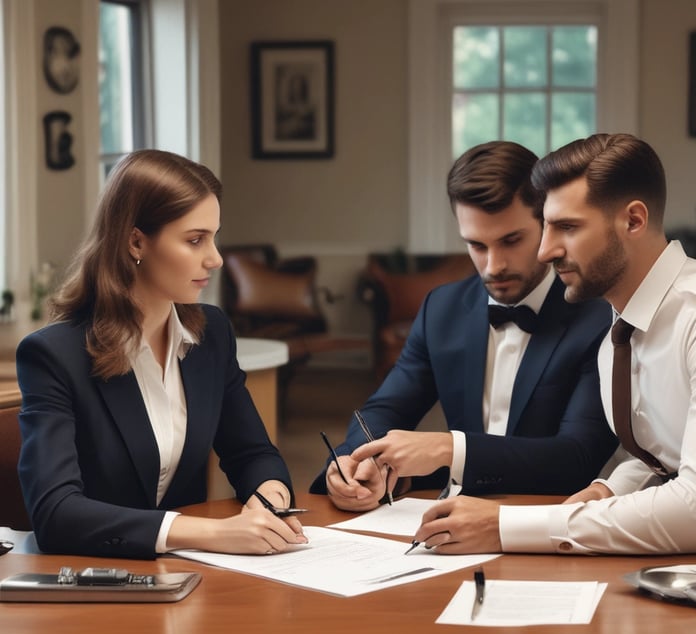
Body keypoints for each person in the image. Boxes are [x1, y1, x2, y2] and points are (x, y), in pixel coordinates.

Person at [414, 133, 696, 555]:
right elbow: (662, 455)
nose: (545, 251)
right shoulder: (618, 330)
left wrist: (502, 526)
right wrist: (607, 489)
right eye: (546, 226)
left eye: (567, 227)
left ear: (633, 221)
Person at [16, 149, 307, 559]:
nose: (216, 258)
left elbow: (252, 453)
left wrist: (269, 499)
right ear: (136, 240)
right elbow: (56, 513)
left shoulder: (212, 334)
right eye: (194, 240)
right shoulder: (53, 355)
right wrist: (212, 533)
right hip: (91, 587)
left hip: (188, 581)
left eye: (214, 236)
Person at [310, 141, 618, 511]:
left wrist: (448, 448)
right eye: (476, 245)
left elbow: (576, 459)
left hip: (555, 524)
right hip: (451, 522)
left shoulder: (601, 316)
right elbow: (385, 409)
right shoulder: (442, 309)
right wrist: (352, 461)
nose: (493, 266)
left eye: (511, 240)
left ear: (546, 224)